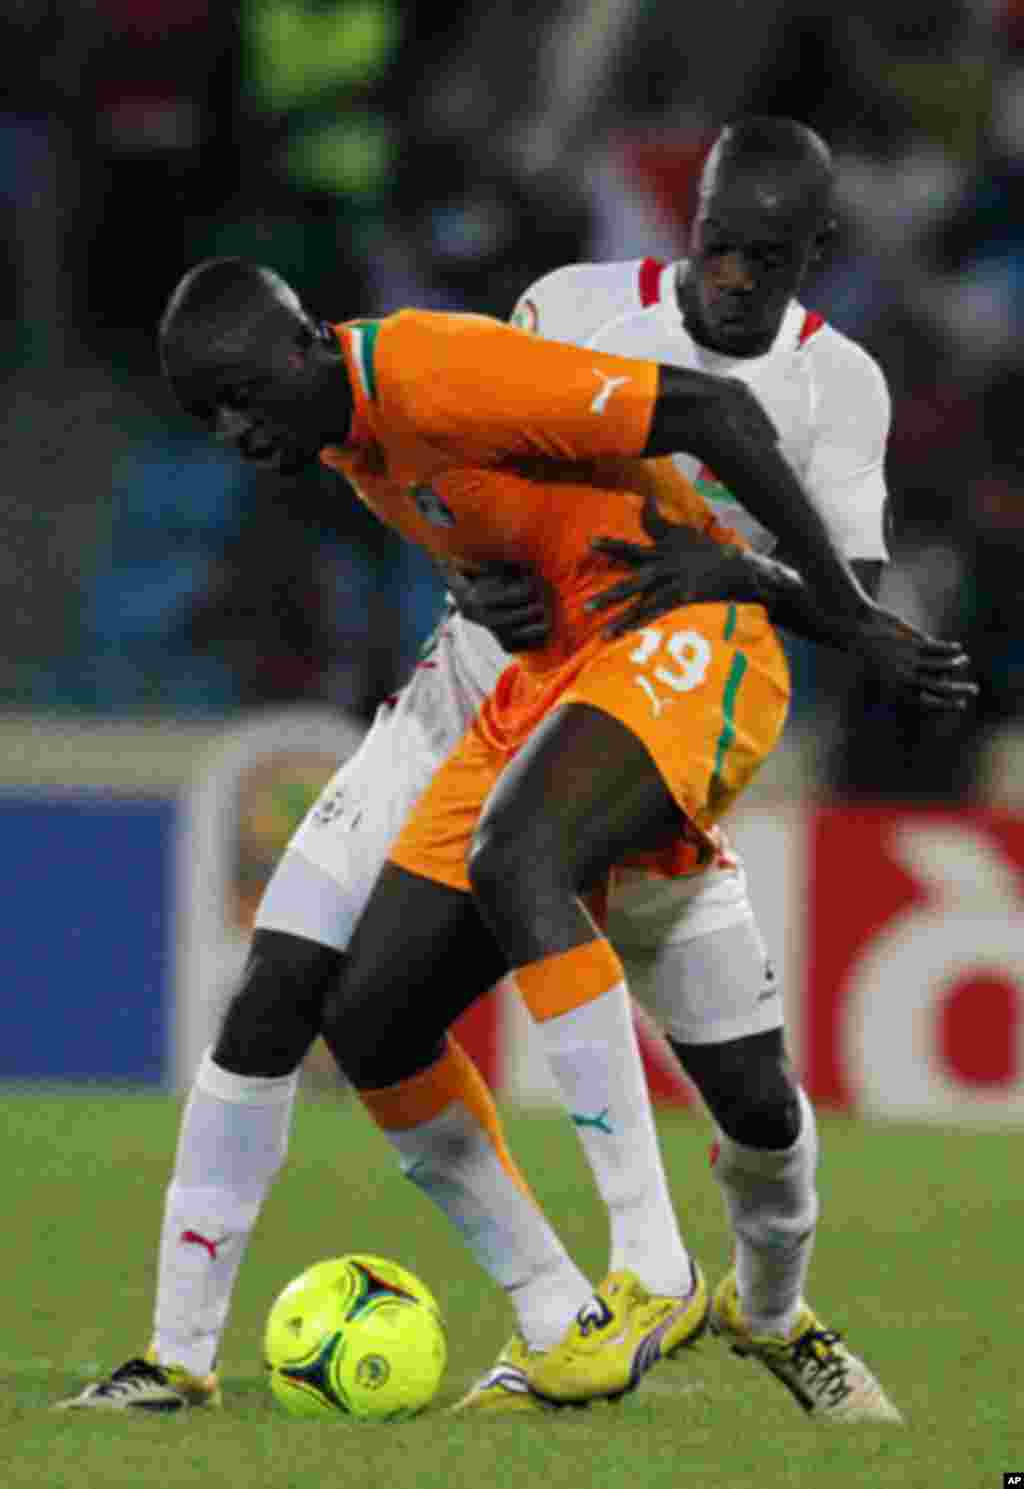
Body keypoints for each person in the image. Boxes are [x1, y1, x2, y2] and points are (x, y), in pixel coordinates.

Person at [59, 187, 969, 1418]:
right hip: (548, 689)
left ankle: (660, 1273)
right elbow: (504, 518)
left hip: (680, 636)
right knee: (372, 1018)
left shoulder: (436, 370)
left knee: (566, 907)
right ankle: (559, 1315)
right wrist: (492, 590)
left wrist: (848, 619)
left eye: (241, 397)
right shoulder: (340, 437)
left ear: (300, 348)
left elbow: (709, 408)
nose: (234, 432)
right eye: (209, 415)